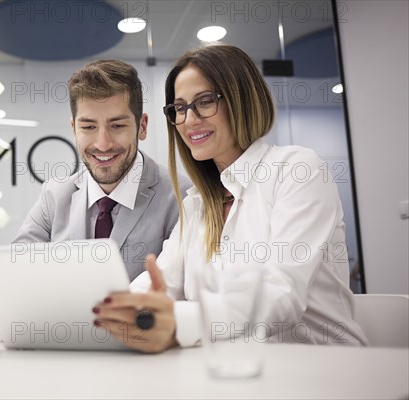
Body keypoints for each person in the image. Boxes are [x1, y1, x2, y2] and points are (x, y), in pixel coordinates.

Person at [94, 43, 369, 353]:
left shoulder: (297, 170)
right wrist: (109, 311)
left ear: (242, 100)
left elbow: (280, 294)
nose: (189, 119)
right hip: (234, 371)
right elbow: (162, 283)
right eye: (179, 108)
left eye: (205, 101)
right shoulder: (196, 205)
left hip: (326, 372)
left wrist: (177, 321)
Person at [0, 59, 191, 335]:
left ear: (142, 126)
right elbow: (15, 269)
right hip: (64, 360)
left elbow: (181, 294)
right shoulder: (54, 194)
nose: (102, 143)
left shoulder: (182, 196)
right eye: (88, 127)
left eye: (117, 125)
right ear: (73, 128)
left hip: (145, 360)